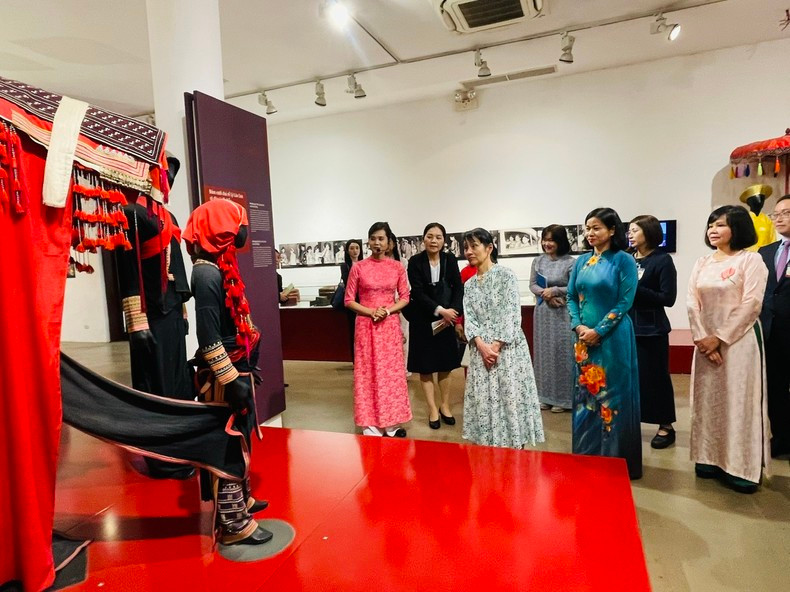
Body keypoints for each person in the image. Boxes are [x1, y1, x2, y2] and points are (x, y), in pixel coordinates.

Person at [183, 199, 272, 545]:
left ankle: (243, 498)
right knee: (228, 443)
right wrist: (231, 380)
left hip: (237, 368)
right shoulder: (206, 274)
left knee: (241, 439)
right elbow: (208, 340)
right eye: (236, 225)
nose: (243, 232)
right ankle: (234, 524)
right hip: (224, 377)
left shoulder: (221, 266)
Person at [687, 205, 769, 493]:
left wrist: (719, 338)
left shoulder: (752, 261)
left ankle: (740, 466)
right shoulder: (702, 263)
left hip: (739, 342)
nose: (713, 230)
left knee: (739, 402)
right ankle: (708, 458)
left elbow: (752, 304)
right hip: (705, 343)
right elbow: (691, 302)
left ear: (738, 228)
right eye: (711, 224)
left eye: (720, 225)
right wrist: (703, 339)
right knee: (708, 402)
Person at [567, 208, 641, 480]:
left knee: (613, 396)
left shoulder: (624, 261)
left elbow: (625, 302)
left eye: (596, 228)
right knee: (586, 397)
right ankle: (587, 457)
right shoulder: (581, 262)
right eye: (587, 228)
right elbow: (571, 297)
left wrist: (599, 330)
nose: (590, 233)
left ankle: (615, 462)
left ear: (612, 230)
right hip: (583, 340)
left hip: (613, 337)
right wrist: (578, 326)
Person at [461, 228, 544, 449]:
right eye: (466, 247)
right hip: (481, 351)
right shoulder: (468, 285)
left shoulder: (505, 275)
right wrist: (480, 344)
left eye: (474, 246)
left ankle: (514, 447)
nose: (469, 251)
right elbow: (470, 318)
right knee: (485, 400)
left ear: (489, 248)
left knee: (510, 397)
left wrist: (495, 346)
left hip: (506, 350)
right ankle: (489, 447)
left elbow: (511, 314)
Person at [344, 222, 412, 437]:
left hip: (390, 325)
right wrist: (370, 312)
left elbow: (405, 297)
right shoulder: (359, 267)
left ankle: (391, 424)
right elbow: (348, 300)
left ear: (388, 242)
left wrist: (388, 311)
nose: (377, 242)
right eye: (373, 238)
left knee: (391, 374)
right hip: (366, 325)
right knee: (368, 372)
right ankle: (370, 424)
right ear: (368, 241)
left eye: (381, 238)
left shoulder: (397, 267)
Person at [406, 223, 464, 429]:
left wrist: (454, 312)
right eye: (429, 236)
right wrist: (441, 310)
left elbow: (458, 287)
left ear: (444, 240)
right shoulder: (415, 262)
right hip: (423, 320)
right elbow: (418, 293)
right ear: (423, 239)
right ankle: (432, 408)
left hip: (447, 321)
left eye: (438, 237)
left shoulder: (450, 259)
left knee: (445, 365)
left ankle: (445, 405)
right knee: (426, 366)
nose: (434, 240)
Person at [627, 215, 678, 449]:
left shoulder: (662, 260)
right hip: (625, 327)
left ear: (649, 232)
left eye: (635, 230)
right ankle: (630, 422)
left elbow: (668, 298)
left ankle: (666, 425)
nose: (630, 234)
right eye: (629, 230)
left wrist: (637, 289)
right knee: (629, 379)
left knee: (656, 378)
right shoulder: (627, 259)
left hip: (652, 329)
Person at [529, 225, 575, 413]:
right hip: (543, 312)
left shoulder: (571, 262)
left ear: (561, 241)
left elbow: (575, 287)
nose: (547, 243)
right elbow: (532, 284)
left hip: (563, 312)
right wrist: (545, 293)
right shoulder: (537, 261)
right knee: (543, 355)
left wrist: (555, 290)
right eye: (544, 240)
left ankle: (563, 400)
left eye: (551, 240)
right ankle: (544, 396)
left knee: (562, 354)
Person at [759, 195, 790, 459]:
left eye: (786, 213)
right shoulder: (766, 252)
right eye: (776, 214)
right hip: (770, 331)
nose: (779, 218)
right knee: (775, 388)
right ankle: (781, 437)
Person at [340, 239, 364, 358]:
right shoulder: (345, 266)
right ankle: (355, 358)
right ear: (347, 251)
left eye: (357, 248)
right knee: (353, 330)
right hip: (352, 301)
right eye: (352, 248)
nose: (355, 251)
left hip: (364, 301)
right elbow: (347, 281)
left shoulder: (365, 264)